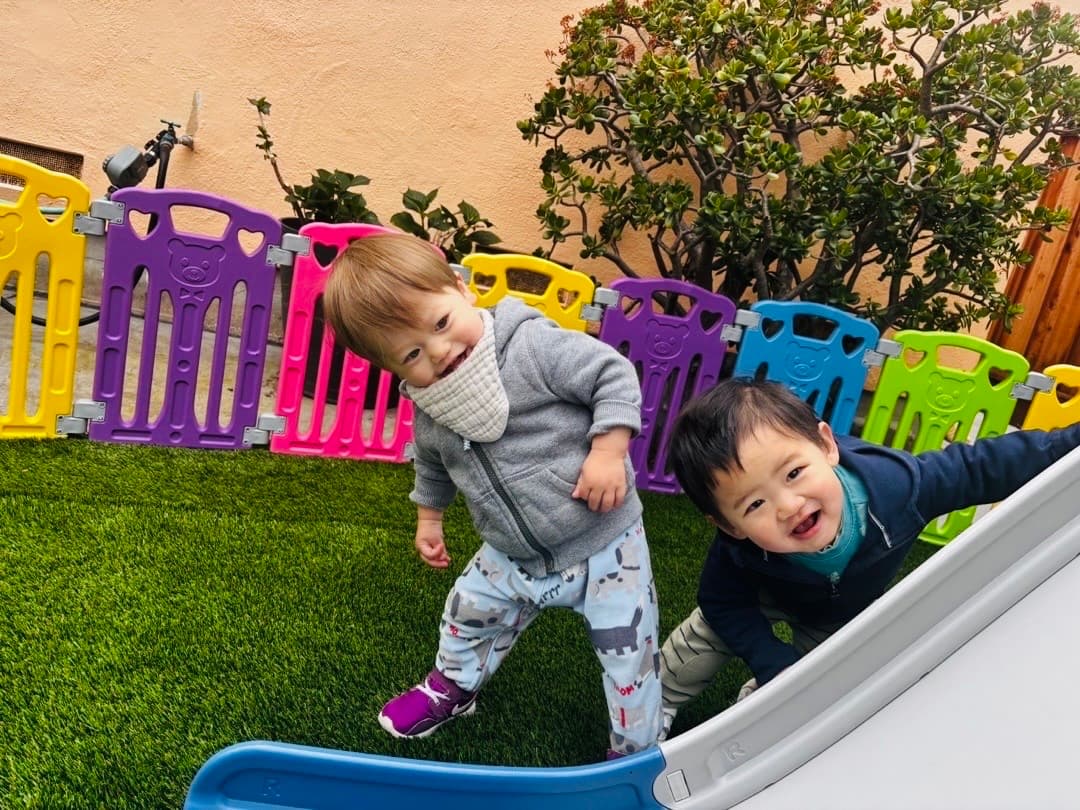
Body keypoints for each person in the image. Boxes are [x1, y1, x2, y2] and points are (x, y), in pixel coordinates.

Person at [322, 232, 662, 759]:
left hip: (603, 538)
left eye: (440, 323)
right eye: (412, 353)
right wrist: (428, 520)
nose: (440, 351)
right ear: (390, 369)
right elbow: (433, 462)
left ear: (461, 289)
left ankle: (636, 749)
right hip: (512, 551)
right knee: (467, 613)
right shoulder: (431, 404)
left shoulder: (530, 346)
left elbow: (611, 375)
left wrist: (607, 451)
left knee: (627, 656)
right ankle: (453, 688)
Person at [658, 376, 1080, 739]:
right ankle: (652, 708)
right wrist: (768, 654)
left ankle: (760, 705)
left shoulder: (901, 489)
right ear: (729, 524)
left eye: (793, 473)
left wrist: (1067, 444)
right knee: (695, 645)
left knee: (828, 686)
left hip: (840, 613)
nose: (788, 505)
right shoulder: (738, 548)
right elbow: (723, 602)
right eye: (754, 505)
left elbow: (982, 466)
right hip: (764, 593)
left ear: (826, 446)